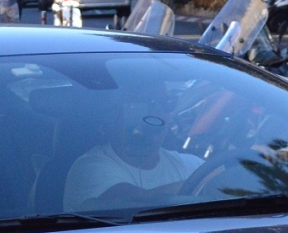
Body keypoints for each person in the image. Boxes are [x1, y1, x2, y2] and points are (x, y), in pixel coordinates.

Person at [64, 84, 201, 209]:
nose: (157, 114)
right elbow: (131, 203)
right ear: (111, 116)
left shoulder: (191, 165)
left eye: (166, 104)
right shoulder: (89, 168)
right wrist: (207, 183)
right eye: (146, 105)